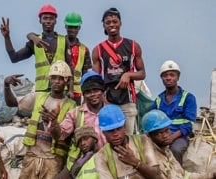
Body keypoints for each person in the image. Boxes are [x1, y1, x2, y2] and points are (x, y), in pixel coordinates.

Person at [4, 61, 76, 179]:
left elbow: (63, 136)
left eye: (61, 78)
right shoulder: (38, 97)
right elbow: (11, 102)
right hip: (32, 155)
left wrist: (52, 122)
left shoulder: (71, 105)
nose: (56, 81)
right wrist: (6, 86)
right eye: (54, 77)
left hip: (53, 160)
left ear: (66, 81)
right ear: (49, 79)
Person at [91, 7, 146, 135]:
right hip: (108, 101)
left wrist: (128, 75)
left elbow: (142, 73)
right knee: (108, 138)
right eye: (108, 22)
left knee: (127, 139)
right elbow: (95, 79)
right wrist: (102, 99)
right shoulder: (98, 50)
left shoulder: (133, 46)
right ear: (104, 25)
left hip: (128, 101)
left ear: (120, 23)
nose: (112, 25)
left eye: (114, 21)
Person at [0, 4, 73, 95]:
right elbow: (14, 58)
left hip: (61, 90)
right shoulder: (34, 41)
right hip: (41, 90)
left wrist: (70, 89)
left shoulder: (64, 40)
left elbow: (70, 67)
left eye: (51, 18)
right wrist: (7, 37)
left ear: (55, 21)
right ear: (40, 20)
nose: (48, 21)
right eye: (45, 18)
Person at [78, 104, 162, 179]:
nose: (115, 134)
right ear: (103, 132)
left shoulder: (142, 141)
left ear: (124, 127)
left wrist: (135, 162)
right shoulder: (101, 157)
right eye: (110, 131)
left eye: (118, 129)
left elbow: (157, 176)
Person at [27, 12, 92, 105]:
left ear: (79, 28)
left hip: (77, 90)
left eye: (75, 27)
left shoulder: (84, 49)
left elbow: (85, 73)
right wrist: (31, 36)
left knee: (74, 115)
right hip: (62, 88)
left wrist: (86, 91)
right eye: (70, 27)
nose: (72, 30)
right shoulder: (59, 42)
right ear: (65, 27)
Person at [49, 70, 107, 173]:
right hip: (79, 165)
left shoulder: (111, 112)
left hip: (105, 164)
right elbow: (60, 135)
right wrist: (54, 122)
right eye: (88, 91)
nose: (93, 94)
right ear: (83, 94)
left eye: (96, 90)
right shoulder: (75, 113)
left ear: (102, 91)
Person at [142, 109, 216, 179]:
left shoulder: (166, 151)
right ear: (149, 136)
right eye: (160, 133)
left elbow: (183, 175)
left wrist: (209, 176)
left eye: (167, 130)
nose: (165, 135)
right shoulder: (152, 159)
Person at [151, 60, 197, 165]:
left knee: (176, 150)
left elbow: (189, 124)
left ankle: (177, 175)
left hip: (179, 137)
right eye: (165, 75)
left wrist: (171, 137)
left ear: (178, 77)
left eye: (172, 75)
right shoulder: (158, 100)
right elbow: (152, 123)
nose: (168, 78)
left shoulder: (188, 98)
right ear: (161, 78)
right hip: (161, 137)